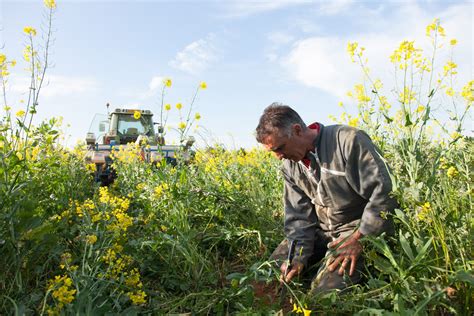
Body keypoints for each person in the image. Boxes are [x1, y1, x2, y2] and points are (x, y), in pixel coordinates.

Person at [255, 103, 397, 293]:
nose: (279, 156)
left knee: (323, 295)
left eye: (280, 148)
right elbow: (298, 217)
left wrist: (361, 238)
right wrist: (297, 256)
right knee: (268, 275)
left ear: (297, 130)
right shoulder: (290, 165)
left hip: (354, 230)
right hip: (319, 231)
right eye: (273, 152)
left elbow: (384, 193)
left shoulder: (347, 141)